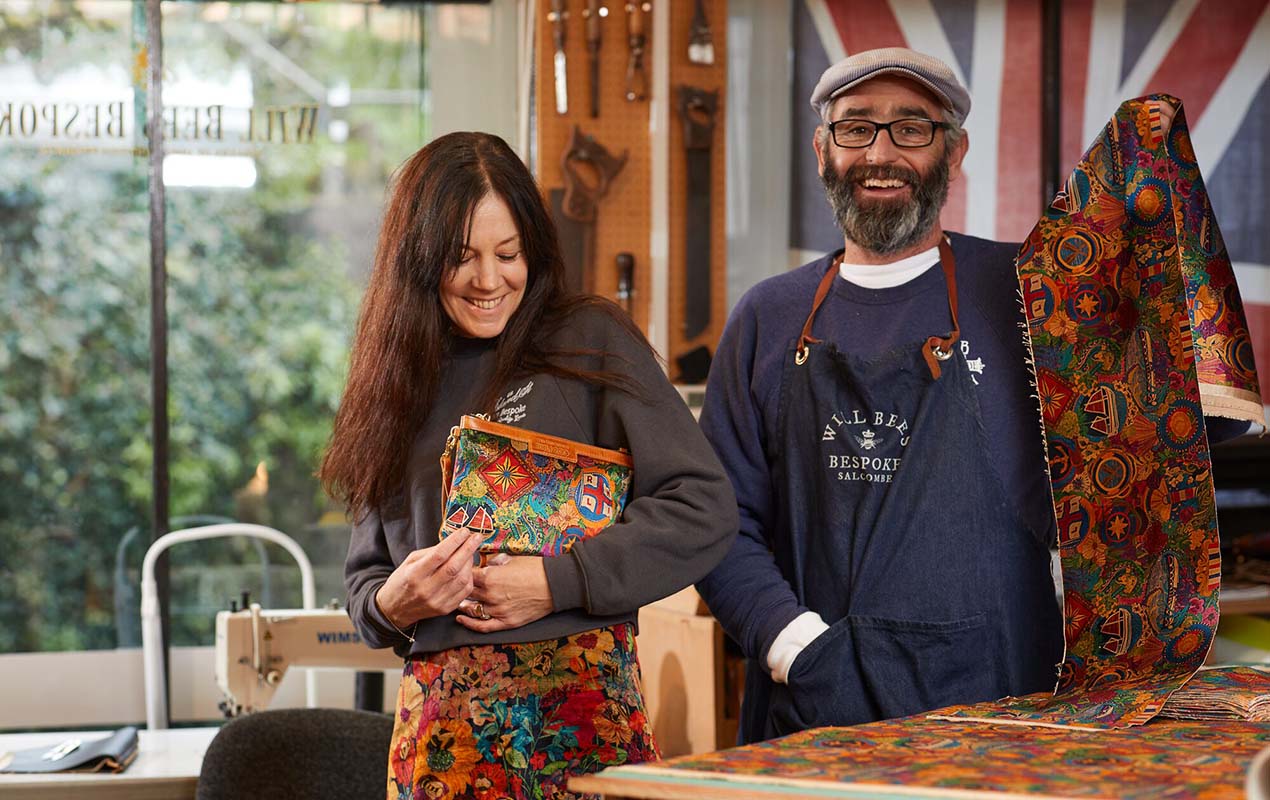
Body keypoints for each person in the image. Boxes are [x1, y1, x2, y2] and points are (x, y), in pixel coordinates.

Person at [320, 131, 737, 798]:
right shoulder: (395, 378)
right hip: (442, 741)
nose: (490, 280)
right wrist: (392, 604)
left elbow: (704, 511)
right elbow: (367, 578)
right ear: (420, 261)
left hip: (582, 721)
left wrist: (558, 581)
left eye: (507, 253)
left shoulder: (591, 341)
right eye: (463, 259)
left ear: (533, 249)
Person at [695, 48, 1065, 744]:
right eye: (856, 127)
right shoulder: (767, 317)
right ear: (822, 151)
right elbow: (717, 520)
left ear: (953, 154)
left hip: (1000, 708)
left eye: (911, 128)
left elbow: (1155, 436)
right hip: (817, 712)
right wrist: (794, 648)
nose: (880, 152)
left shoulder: (1032, 292)